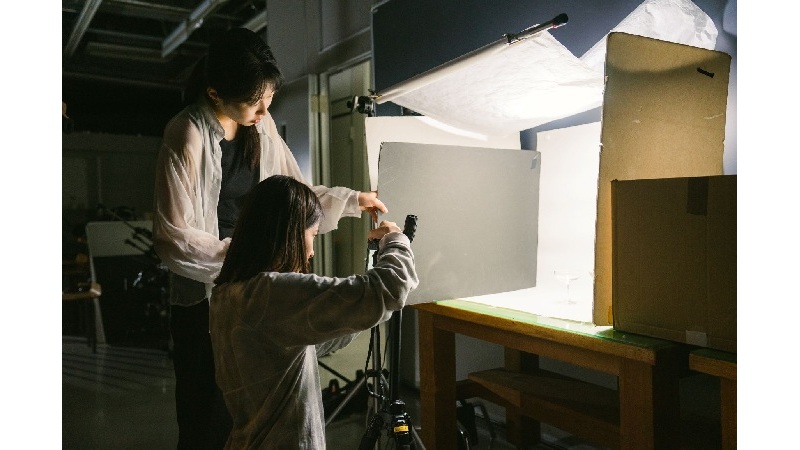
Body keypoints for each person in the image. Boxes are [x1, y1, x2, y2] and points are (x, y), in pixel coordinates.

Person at [152, 28, 387, 449]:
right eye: (254, 102)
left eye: (269, 100)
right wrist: (247, 257)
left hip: (255, 284)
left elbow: (294, 194)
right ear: (215, 92)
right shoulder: (186, 133)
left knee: (258, 408)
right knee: (207, 416)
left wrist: (354, 200)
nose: (264, 111)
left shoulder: (261, 129)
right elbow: (174, 237)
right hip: (205, 296)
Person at [209, 175, 419, 449]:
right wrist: (395, 240)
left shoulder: (229, 294)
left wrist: (371, 271)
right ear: (291, 234)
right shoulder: (271, 293)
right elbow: (390, 287)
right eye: (313, 235)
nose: (311, 251)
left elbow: (324, 335)